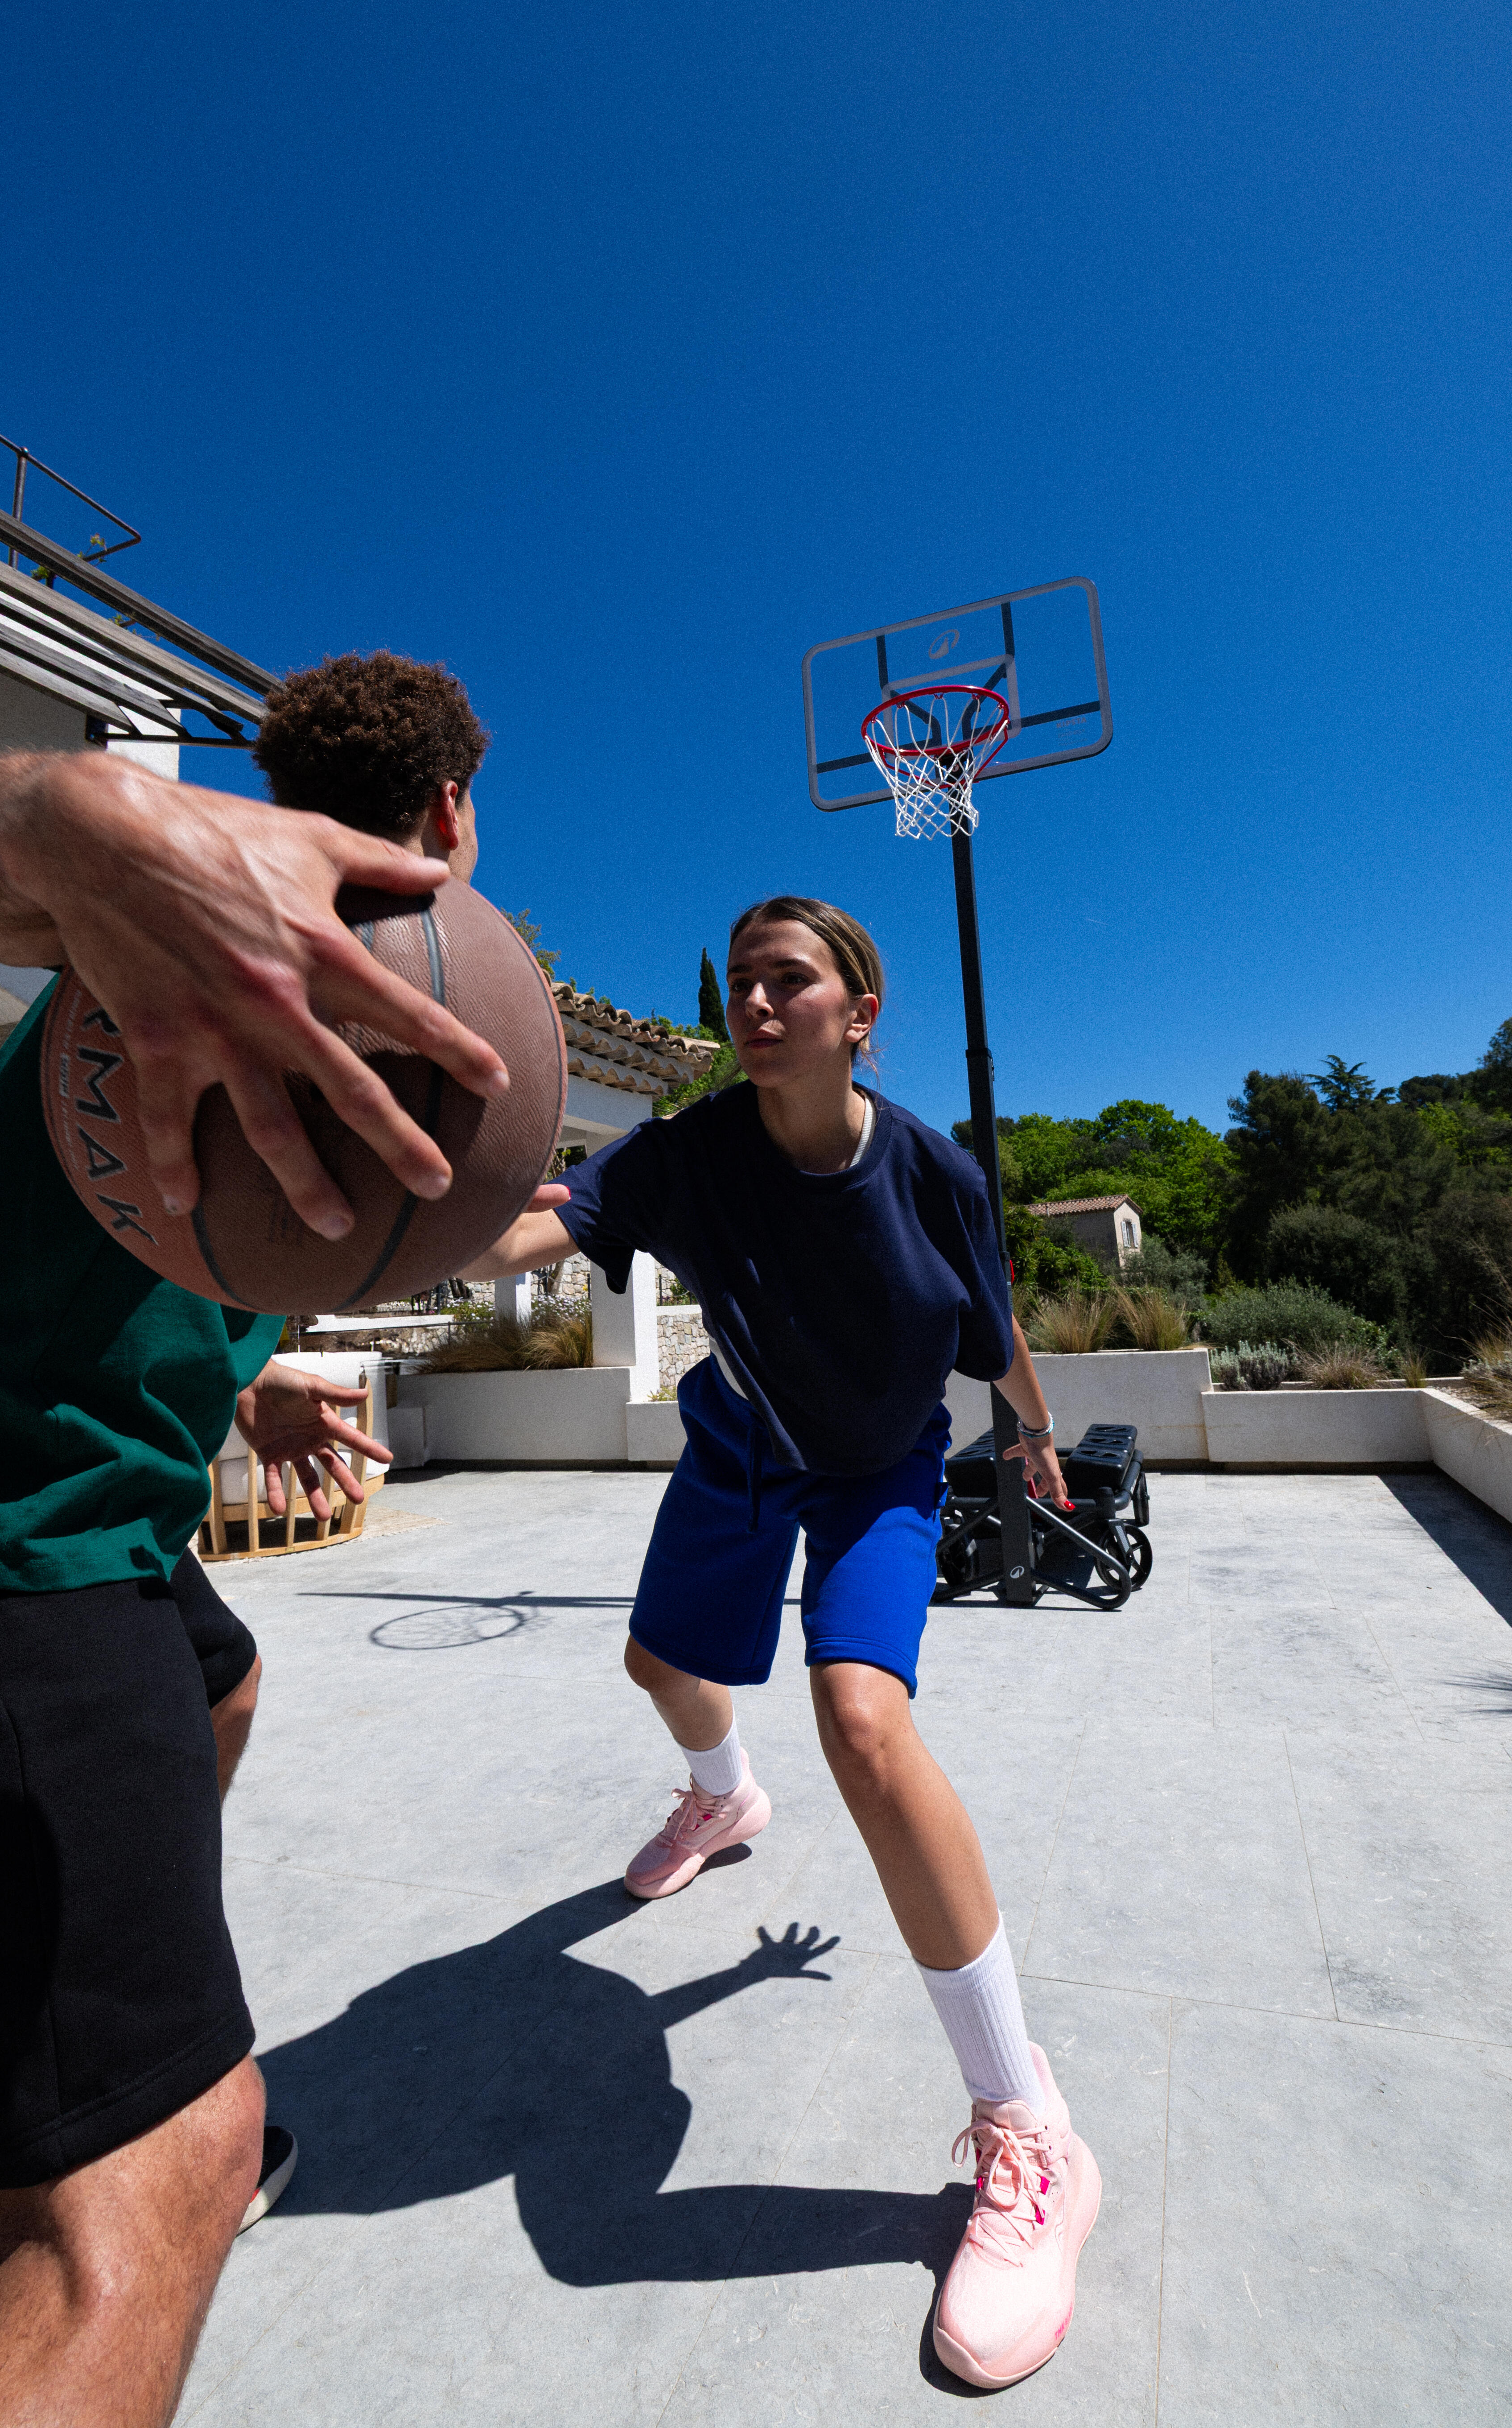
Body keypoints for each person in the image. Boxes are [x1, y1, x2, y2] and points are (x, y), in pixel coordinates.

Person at [0, 718, 524, 2428]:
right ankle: (97, 2136)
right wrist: (92, 812)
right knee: (157, 2180)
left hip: (60, 1506)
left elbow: (142, 1216)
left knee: (221, 1680)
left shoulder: (267, 1016)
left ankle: (51, 2031)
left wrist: (250, 1369)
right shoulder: (204, 906)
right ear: (455, 806)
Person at [464, 894, 1103, 2392]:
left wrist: (1032, 1428)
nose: (757, 1000)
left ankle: (1031, 2128)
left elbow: (992, 1319)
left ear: (857, 1012)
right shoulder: (687, 1152)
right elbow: (538, 1224)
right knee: (658, 1668)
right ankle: (722, 1795)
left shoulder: (931, 1172)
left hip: (876, 1476)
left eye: (789, 979)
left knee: (864, 1721)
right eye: (744, 979)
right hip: (738, 1452)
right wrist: (366, 1240)